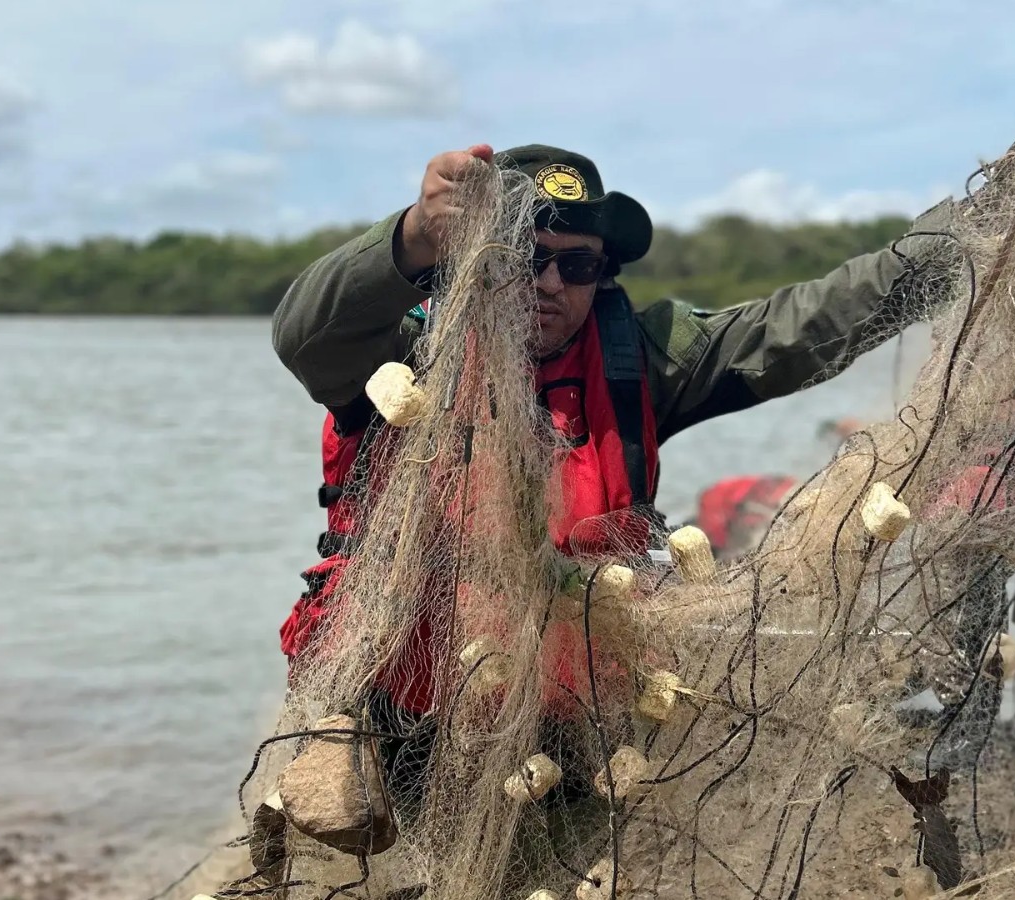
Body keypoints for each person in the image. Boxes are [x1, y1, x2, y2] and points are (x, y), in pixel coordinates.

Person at [270, 143, 956, 835]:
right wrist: (416, 231)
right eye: (519, 257)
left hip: (574, 725)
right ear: (465, 260)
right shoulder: (398, 351)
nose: (547, 283)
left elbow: (799, 326)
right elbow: (304, 335)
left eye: (576, 266)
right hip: (402, 715)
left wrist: (962, 240)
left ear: (601, 274)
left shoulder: (643, 357)